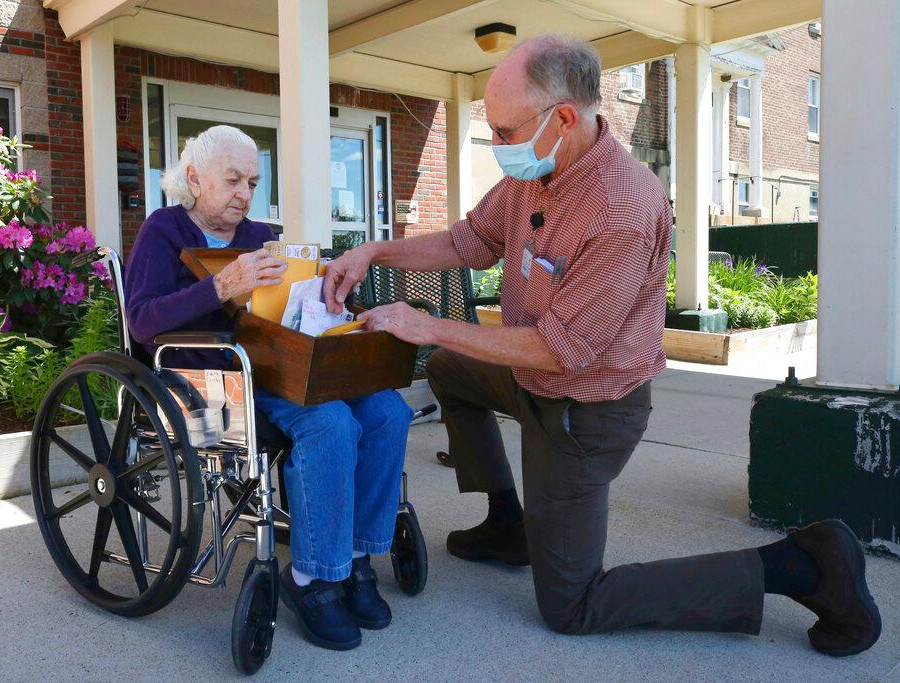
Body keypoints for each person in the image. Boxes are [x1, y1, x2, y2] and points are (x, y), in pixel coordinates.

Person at [323, 36, 880, 655]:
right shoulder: (538, 170)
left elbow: (565, 351)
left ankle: (804, 566)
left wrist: (427, 327)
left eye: (505, 130)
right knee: (454, 370)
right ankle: (510, 524)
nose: (498, 145)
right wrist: (373, 251)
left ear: (562, 118)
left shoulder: (624, 205)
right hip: (532, 377)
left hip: (585, 411)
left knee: (572, 605)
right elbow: (466, 242)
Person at [124, 125, 413, 652]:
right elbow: (142, 323)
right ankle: (310, 580)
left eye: (253, 182)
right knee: (330, 423)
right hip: (207, 383)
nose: (244, 193)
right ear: (194, 178)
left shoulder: (261, 235)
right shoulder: (163, 231)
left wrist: (322, 300)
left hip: (277, 364)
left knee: (388, 411)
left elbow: (284, 310)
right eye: (232, 180)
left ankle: (353, 559)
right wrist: (220, 286)